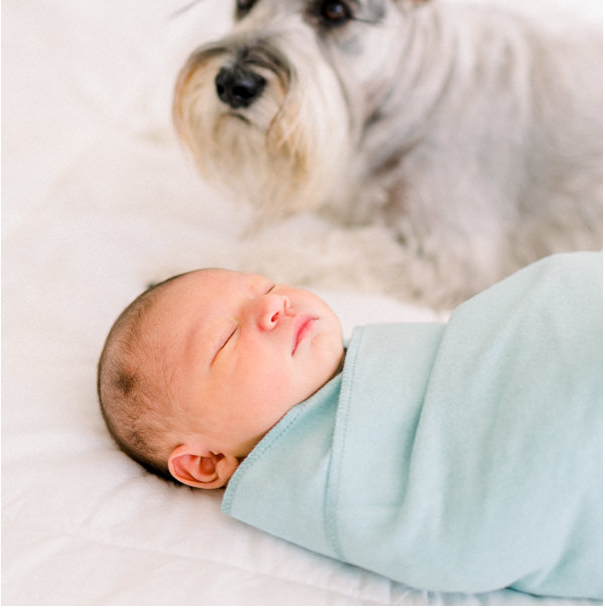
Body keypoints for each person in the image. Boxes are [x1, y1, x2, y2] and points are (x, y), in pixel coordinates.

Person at [97, 252, 602, 599]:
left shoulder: (396, 362)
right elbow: (466, 539)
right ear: (206, 462)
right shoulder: (337, 490)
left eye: (265, 286)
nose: (274, 305)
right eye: (226, 339)